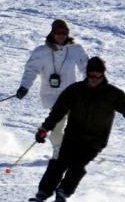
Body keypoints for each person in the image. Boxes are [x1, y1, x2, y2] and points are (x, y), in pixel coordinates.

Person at [29, 56, 125, 202]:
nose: (94, 78)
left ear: (103, 74)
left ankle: (63, 192)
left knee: (77, 165)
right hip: (72, 136)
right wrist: (45, 129)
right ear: (87, 74)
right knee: (59, 162)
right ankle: (43, 193)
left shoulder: (112, 94)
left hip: (95, 140)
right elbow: (58, 112)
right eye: (91, 74)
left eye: (98, 75)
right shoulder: (75, 90)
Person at [16, 18, 88, 159]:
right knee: (58, 124)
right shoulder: (42, 52)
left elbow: (86, 68)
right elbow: (31, 70)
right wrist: (24, 86)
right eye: (58, 33)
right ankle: (59, 151)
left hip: (72, 94)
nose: (61, 36)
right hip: (52, 95)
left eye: (64, 33)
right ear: (52, 33)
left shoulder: (76, 50)